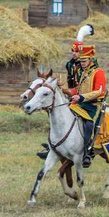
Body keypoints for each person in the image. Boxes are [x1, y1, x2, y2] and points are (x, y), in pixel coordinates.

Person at [37, 24, 95, 160]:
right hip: (72, 93)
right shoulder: (70, 64)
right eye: (72, 51)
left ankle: (87, 146)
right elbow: (71, 79)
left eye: (76, 51)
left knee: (87, 121)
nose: (74, 53)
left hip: (85, 95)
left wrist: (78, 94)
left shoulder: (88, 65)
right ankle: (54, 146)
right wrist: (66, 92)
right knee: (56, 115)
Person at [69, 44, 107, 168]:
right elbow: (78, 90)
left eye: (84, 61)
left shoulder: (98, 72)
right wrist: (65, 91)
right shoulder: (83, 73)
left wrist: (81, 97)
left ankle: (87, 152)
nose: (82, 63)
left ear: (91, 59)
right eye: (81, 61)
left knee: (89, 124)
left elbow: (99, 92)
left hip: (94, 105)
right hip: (81, 103)